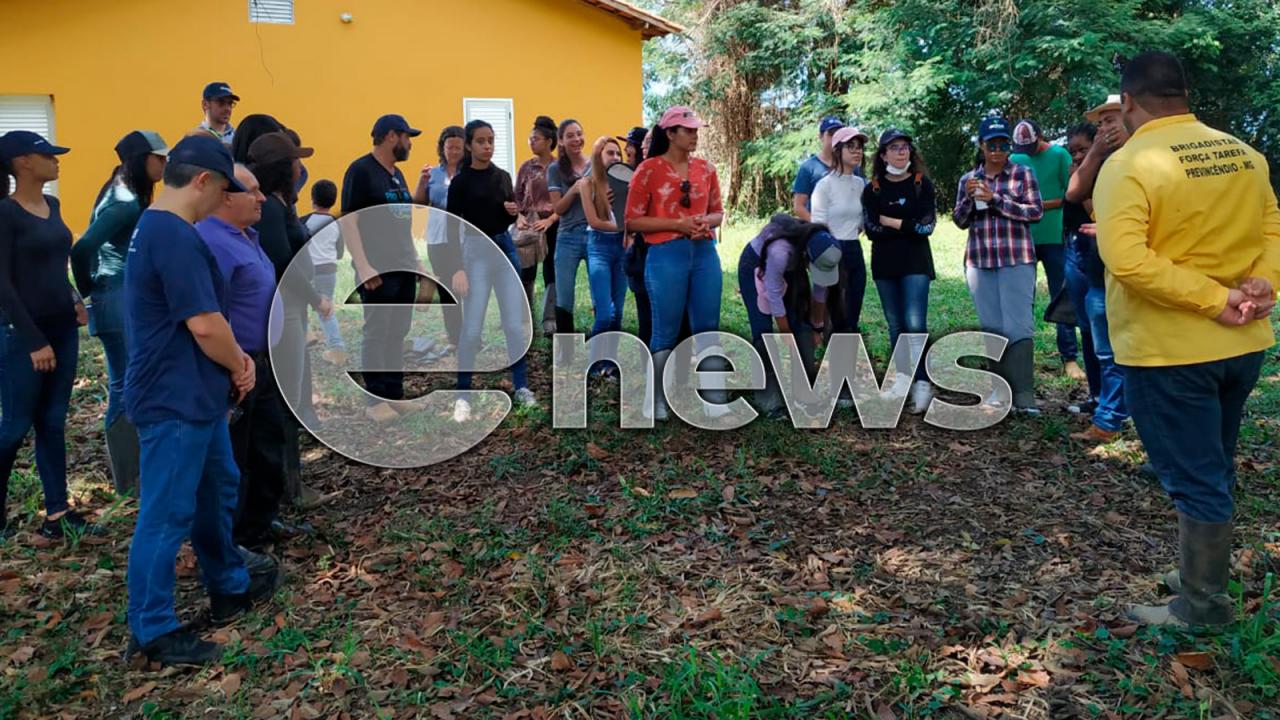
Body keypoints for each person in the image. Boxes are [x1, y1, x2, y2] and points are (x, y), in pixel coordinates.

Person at [1095, 51, 1278, 627]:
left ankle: (1202, 604)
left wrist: (1214, 300)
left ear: (1128, 102)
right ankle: (1203, 570)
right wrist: (1263, 284)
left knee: (1195, 478)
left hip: (1170, 350)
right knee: (1214, 463)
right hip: (1244, 346)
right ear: (1183, 93)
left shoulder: (1128, 164)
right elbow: (1273, 224)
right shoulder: (1244, 154)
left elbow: (1125, 257)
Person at [123, 135, 278, 665]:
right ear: (203, 182)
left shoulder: (167, 229)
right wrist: (240, 363)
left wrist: (232, 365)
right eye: (225, 190)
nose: (226, 202)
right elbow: (206, 325)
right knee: (167, 513)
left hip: (198, 393)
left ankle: (228, 586)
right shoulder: (173, 235)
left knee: (218, 489)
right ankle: (153, 629)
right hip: (174, 397)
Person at [0, 131, 92, 541]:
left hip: (62, 327)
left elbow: (57, 266)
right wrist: (33, 339)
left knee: (52, 422)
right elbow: (2, 283)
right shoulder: (5, 213)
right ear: (22, 163)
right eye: (47, 155)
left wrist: (73, 296)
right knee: (16, 425)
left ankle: (57, 512)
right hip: (24, 334)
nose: (56, 161)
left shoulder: (52, 205)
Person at [69, 130, 168, 494]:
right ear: (141, 159)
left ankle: (136, 471)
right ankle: (129, 481)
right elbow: (83, 249)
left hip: (125, 298)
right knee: (125, 387)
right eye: (159, 158)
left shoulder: (126, 191)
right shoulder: (124, 201)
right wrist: (88, 291)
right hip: (116, 300)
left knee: (131, 383)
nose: (165, 164)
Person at [247, 132, 330, 543]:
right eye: (296, 161)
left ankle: (288, 484)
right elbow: (285, 264)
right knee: (287, 403)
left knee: (291, 400)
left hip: (291, 310)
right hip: (286, 311)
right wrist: (315, 298)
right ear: (283, 169)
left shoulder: (281, 206)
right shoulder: (271, 212)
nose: (302, 168)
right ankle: (286, 488)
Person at [194, 164, 282, 547]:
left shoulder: (246, 236)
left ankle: (261, 523)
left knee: (268, 446)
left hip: (264, 360)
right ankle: (235, 540)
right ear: (226, 196)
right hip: (237, 364)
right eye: (253, 191)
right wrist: (233, 365)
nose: (262, 198)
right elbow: (211, 311)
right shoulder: (211, 242)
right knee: (237, 455)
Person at [624, 106, 726, 421]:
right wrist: (678, 225)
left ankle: (714, 397)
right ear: (670, 133)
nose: (695, 135)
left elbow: (718, 213)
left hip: (704, 253)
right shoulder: (648, 169)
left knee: (708, 327)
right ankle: (655, 399)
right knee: (664, 330)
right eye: (688, 130)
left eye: (696, 130)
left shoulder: (706, 169)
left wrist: (701, 221)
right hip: (665, 255)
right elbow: (632, 220)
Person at [447, 119, 538, 422]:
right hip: (475, 253)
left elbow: (509, 212)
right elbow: (451, 226)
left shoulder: (502, 176)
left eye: (491, 140)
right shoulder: (461, 182)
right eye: (481, 141)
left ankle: (522, 386)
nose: (488, 146)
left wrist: (513, 213)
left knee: (514, 324)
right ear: (470, 145)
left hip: (505, 249)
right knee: (472, 328)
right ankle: (463, 395)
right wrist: (457, 268)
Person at [340, 114, 428, 424]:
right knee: (377, 333)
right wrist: (363, 266)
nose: (410, 143)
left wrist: (415, 260)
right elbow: (349, 220)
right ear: (391, 136)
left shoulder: (397, 175)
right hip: (377, 270)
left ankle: (394, 395)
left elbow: (402, 222)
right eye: (407, 137)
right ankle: (374, 401)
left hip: (403, 267)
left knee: (397, 332)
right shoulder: (361, 171)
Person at [953, 116, 1045, 413]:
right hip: (980, 261)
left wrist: (996, 199)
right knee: (992, 328)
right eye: (991, 144)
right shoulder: (968, 179)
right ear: (981, 146)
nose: (997, 150)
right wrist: (969, 200)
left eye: (1003, 143)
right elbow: (959, 221)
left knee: (1018, 326)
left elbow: (1035, 212)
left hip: (1016, 257)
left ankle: (1024, 395)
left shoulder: (1022, 173)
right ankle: (998, 391)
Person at [1065, 95, 1134, 443]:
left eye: (1111, 120)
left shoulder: (1144, 158)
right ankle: (1108, 414)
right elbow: (1075, 194)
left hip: (1133, 272)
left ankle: (1113, 416)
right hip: (1096, 268)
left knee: (1126, 348)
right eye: (1101, 123)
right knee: (1102, 345)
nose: (1105, 128)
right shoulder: (1099, 162)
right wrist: (1093, 154)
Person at [862, 128, 938, 415]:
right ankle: (903, 378)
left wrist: (892, 222)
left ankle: (922, 382)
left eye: (905, 146)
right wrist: (906, 224)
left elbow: (926, 227)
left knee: (915, 323)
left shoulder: (922, 183)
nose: (901, 151)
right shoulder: (873, 189)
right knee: (896, 326)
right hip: (885, 265)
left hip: (916, 264)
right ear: (883, 155)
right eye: (894, 147)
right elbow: (871, 229)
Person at [737, 215, 841, 417]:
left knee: (802, 324)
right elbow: (774, 295)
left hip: (793, 263)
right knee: (764, 332)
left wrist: (817, 327)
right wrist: (785, 334)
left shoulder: (827, 248)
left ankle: (805, 395)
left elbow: (820, 290)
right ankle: (770, 401)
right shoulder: (780, 251)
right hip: (756, 265)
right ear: (807, 257)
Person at [1010, 119, 1083, 381]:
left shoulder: (1059, 155)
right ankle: (1022, 357)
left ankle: (1070, 358)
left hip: (1054, 236)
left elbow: (1071, 193)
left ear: (1041, 136)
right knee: (1022, 299)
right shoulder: (1016, 158)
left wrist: (1038, 205)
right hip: (1023, 239)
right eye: (1021, 147)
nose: (1026, 151)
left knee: (1061, 296)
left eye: (1030, 145)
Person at [810, 125, 868, 340]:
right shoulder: (824, 185)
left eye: (859, 147)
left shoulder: (861, 184)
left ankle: (848, 370)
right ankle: (834, 370)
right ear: (837, 151)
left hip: (854, 250)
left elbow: (863, 221)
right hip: (831, 250)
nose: (857, 152)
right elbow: (817, 226)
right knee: (837, 317)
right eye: (851, 147)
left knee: (852, 317)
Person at [1060, 123, 1102, 417]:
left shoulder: (1107, 174)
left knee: (1101, 328)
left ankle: (1113, 402)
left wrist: (1080, 178)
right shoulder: (1078, 173)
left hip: (1097, 252)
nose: (1076, 156)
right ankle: (1097, 395)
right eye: (1072, 151)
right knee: (1086, 327)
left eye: (1082, 150)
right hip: (1074, 249)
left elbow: (1093, 211)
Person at [580, 136, 628, 378]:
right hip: (599, 246)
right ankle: (593, 365)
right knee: (605, 312)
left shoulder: (626, 182)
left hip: (623, 248)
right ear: (598, 156)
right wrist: (624, 229)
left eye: (618, 153)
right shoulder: (587, 184)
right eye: (610, 153)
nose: (616, 158)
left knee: (618, 312)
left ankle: (610, 365)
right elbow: (594, 221)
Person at [515, 117, 559, 337]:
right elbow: (517, 197)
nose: (531, 142)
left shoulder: (560, 167)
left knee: (551, 269)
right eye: (530, 138)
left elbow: (567, 199)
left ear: (549, 141)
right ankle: (525, 318)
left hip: (554, 224)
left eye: (536, 138)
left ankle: (549, 318)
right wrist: (518, 218)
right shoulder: (526, 167)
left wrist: (551, 219)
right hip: (530, 225)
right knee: (527, 270)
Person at [423, 126, 466, 349]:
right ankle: (455, 337)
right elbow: (420, 201)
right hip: (437, 238)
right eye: (450, 147)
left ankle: (470, 334)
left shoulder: (469, 172)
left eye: (458, 147)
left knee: (466, 286)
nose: (454, 151)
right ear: (443, 147)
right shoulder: (433, 174)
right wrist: (422, 181)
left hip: (463, 237)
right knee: (446, 288)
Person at [547, 119, 591, 339]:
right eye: (570, 136)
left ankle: (601, 345)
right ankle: (565, 352)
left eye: (579, 134)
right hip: (568, 237)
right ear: (561, 141)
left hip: (595, 235)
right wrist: (574, 189)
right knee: (564, 295)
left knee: (600, 294)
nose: (576, 139)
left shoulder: (595, 165)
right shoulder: (555, 170)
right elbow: (558, 209)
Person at [301, 179, 346, 364]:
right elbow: (340, 252)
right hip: (329, 270)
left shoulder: (304, 222)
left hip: (309, 269)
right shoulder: (337, 223)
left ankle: (307, 333)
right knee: (326, 310)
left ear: (312, 199)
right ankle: (337, 349)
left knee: (299, 304)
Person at [792, 117, 844, 221]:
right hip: (818, 231)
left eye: (839, 135)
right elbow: (798, 207)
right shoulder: (808, 168)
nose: (835, 138)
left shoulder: (851, 166)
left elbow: (870, 186)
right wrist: (819, 227)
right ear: (820, 136)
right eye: (831, 134)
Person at [196, 82, 239, 147]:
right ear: (205, 104)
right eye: (221, 102)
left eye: (230, 103)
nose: (228, 109)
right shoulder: (195, 138)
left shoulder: (238, 138)